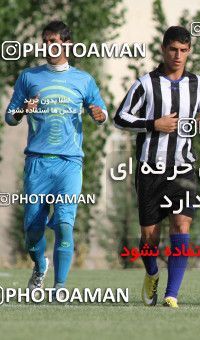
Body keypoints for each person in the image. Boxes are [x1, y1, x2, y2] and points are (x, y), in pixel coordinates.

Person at [114, 26, 200, 308]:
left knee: (181, 225)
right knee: (149, 237)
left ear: (190, 51)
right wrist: (153, 124)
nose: (178, 55)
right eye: (173, 49)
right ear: (163, 49)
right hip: (150, 169)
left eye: (184, 50)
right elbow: (120, 118)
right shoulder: (145, 84)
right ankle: (152, 273)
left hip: (183, 168)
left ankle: (172, 294)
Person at [4, 21, 108, 293]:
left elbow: (101, 111)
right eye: (46, 41)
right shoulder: (29, 77)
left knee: (64, 223)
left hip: (69, 164)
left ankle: (60, 287)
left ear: (67, 44)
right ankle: (40, 266)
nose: (50, 46)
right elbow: (10, 117)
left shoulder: (83, 80)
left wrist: (100, 115)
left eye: (55, 41)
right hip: (37, 163)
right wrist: (22, 110)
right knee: (33, 230)